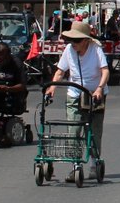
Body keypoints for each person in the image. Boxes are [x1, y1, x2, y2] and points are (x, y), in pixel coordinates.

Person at [46, 20, 110, 181]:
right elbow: (61, 71)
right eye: (71, 40)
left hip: (95, 94)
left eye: (76, 40)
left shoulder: (96, 50)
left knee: (94, 131)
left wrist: (100, 88)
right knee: (73, 131)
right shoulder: (69, 50)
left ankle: (95, 164)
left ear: (86, 40)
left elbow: (105, 71)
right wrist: (52, 87)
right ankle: (76, 165)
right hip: (74, 93)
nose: (73, 43)